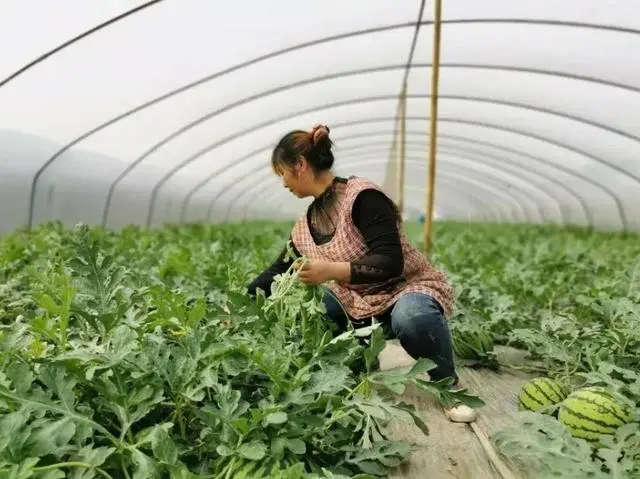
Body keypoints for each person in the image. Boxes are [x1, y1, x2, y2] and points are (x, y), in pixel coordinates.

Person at [246, 124, 476, 423]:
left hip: (406, 288)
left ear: (300, 166)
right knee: (317, 308)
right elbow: (280, 268)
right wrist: (241, 301)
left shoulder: (362, 197)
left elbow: (390, 261)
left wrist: (331, 270)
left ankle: (448, 386)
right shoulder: (307, 224)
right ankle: (361, 365)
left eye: (283, 174)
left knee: (412, 317)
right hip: (358, 300)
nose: (284, 184)